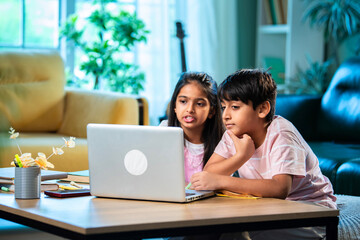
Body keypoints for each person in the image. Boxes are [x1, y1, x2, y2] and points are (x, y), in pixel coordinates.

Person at [190, 69, 337, 239]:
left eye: (235, 107)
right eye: (224, 107)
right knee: (209, 227)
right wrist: (240, 157)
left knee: (237, 232)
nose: (226, 116)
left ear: (262, 109)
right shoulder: (233, 133)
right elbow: (208, 174)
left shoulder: (282, 133)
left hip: (309, 212)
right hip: (268, 208)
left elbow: (280, 188)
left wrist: (222, 180)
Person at [160, 72, 224, 183]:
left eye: (199, 104)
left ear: (212, 111)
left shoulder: (223, 141)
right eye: (183, 101)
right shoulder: (164, 130)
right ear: (174, 106)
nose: (190, 109)